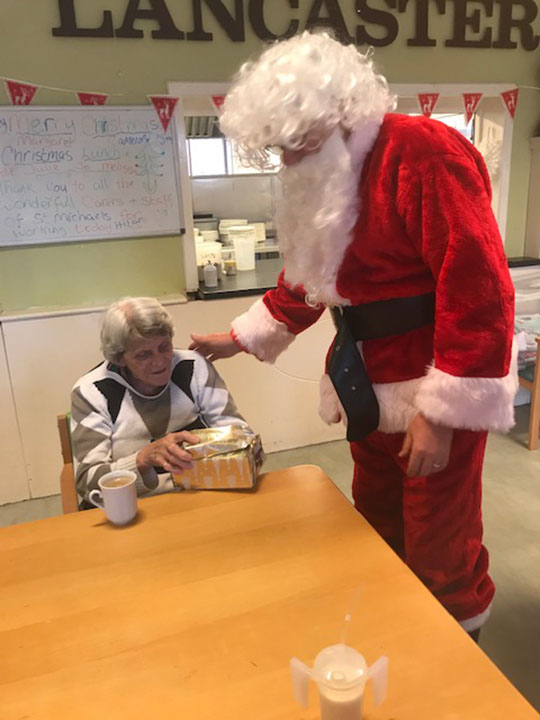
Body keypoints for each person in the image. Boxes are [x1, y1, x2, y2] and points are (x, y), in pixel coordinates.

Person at [190, 31, 517, 636]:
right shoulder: (327, 175)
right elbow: (309, 277)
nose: (289, 160)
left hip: (429, 386)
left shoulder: (421, 151)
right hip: (364, 384)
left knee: (439, 541)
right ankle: (388, 633)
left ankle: (456, 649)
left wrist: (439, 415)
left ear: (338, 113)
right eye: (280, 147)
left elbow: (477, 287)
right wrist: (238, 338)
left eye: (298, 142)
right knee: (376, 520)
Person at [71, 296, 250, 505]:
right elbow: (87, 481)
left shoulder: (193, 367)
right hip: (134, 505)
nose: (159, 362)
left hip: (199, 495)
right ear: (119, 357)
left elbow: (242, 437)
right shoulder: (92, 391)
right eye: (143, 355)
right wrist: (141, 460)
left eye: (164, 347)